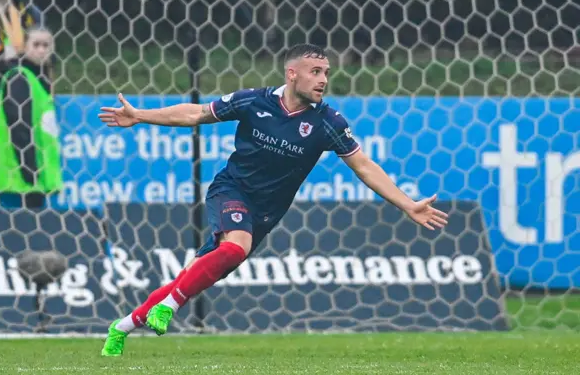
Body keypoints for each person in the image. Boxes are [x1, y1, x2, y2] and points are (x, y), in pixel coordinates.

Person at [98, 44, 449, 357]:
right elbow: (197, 113)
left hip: (266, 214)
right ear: (292, 74)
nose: (323, 79)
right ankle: (171, 306)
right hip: (231, 191)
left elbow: (363, 165)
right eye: (315, 72)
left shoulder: (328, 122)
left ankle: (123, 326)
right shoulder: (255, 101)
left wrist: (406, 203)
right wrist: (141, 115)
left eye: (326, 72)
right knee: (233, 250)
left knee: (198, 273)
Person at [0, 26, 63, 208]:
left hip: (34, 180)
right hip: (21, 179)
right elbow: (18, 124)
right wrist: (30, 170)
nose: (41, 50)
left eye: (46, 45)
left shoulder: (38, 79)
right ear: (24, 47)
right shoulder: (18, 77)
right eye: (36, 44)